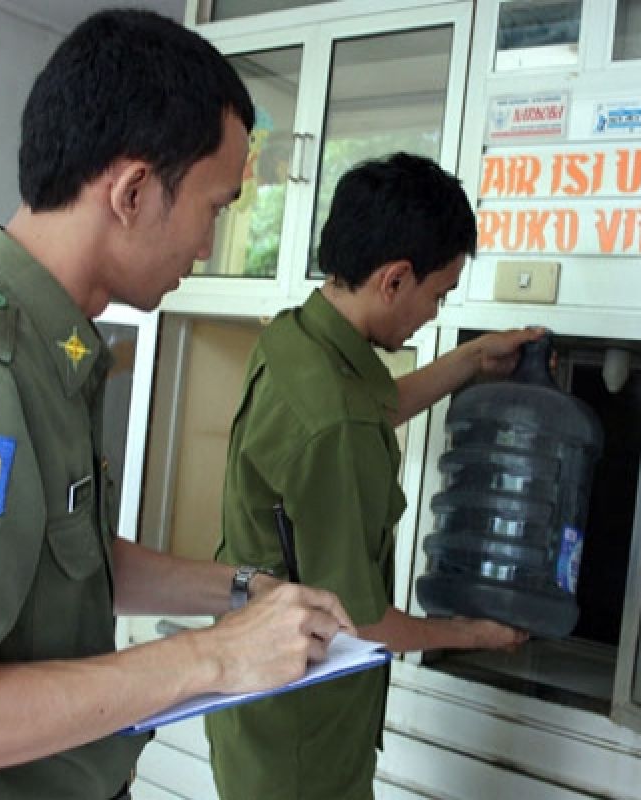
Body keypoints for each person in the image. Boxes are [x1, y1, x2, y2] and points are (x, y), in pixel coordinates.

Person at [0, 11, 352, 800]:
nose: (209, 246)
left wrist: (244, 593)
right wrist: (211, 657)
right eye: (214, 209)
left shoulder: (59, 349)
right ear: (134, 191)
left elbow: (68, 565)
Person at [206, 152, 538, 800]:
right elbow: (364, 622)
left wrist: (470, 360)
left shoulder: (299, 338)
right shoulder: (335, 424)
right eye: (437, 295)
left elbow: (374, 406)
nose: (433, 314)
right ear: (393, 279)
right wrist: (474, 633)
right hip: (304, 738)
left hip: (256, 708)